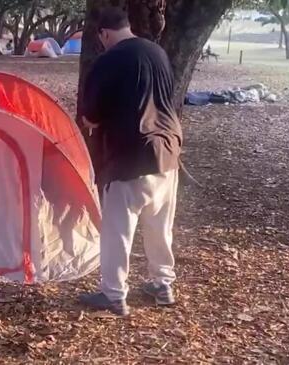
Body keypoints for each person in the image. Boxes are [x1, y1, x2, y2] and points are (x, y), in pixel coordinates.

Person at [79, 7, 183, 316]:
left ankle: (113, 295)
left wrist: (93, 123)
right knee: (160, 226)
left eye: (101, 39)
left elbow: (92, 115)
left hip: (128, 155)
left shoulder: (108, 61)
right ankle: (162, 285)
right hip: (167, 151)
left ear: (104, 34)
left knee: (118, 230)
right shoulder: (157, 53)